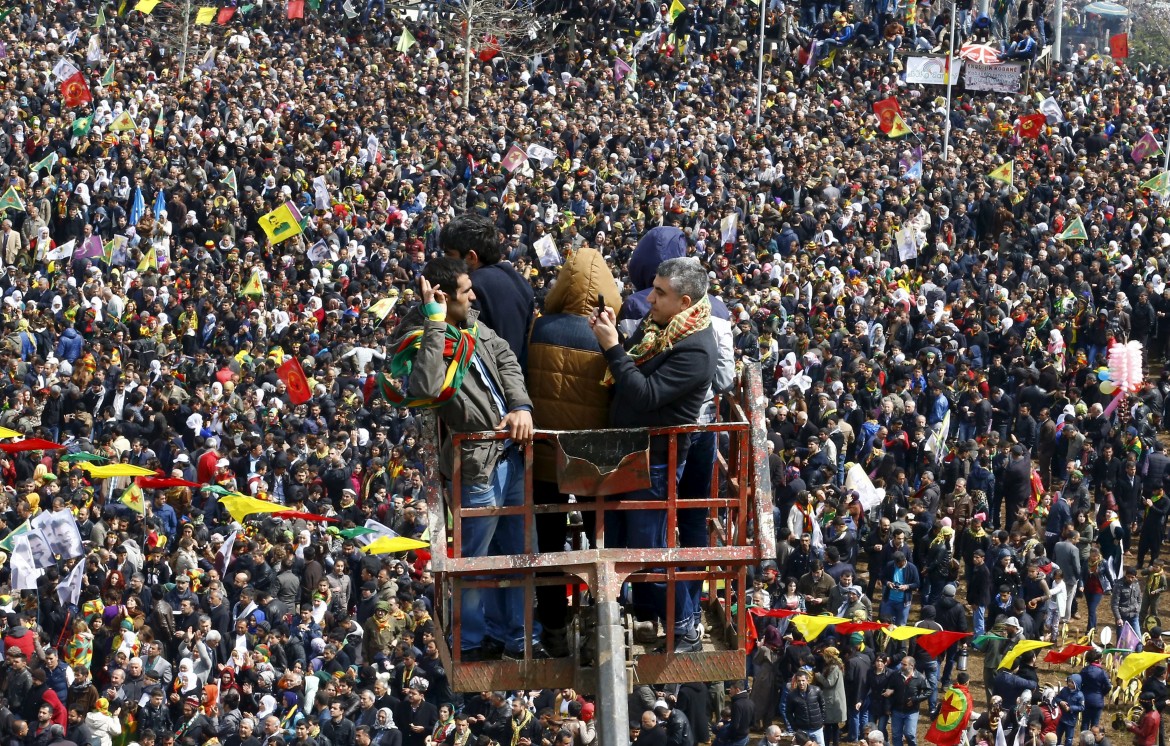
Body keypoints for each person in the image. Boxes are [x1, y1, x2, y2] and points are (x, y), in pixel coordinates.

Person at [390, 259, 541, 660]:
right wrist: (436, 322)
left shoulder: (473, 323)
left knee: (521, 554)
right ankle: (471, 642)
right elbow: (425, 387)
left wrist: (521, 406)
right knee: (474, 562)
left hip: (510, 456)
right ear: (441, 296)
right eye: (465, 290)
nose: (474, 295)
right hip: (477, 465)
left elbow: (506, 358)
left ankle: (520, 637)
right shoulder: (420, 335)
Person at [590, 256, 717, 652]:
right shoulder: (662, 325)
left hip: (657, 461)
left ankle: (683, 626)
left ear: (685, 302)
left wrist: (611, 347)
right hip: (631, 451)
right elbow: (634, 362)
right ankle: (647, 614)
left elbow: (644, 394)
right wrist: (616, 336)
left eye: (660, 293)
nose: (649, 299)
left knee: (651, 549)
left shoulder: (695, 348)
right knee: (626, 543)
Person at [440, 213, 535, 365]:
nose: (444, 260)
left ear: (471, 257)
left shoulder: (470, 289)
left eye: (449, 254)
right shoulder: (521, 282)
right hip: (516, 380)